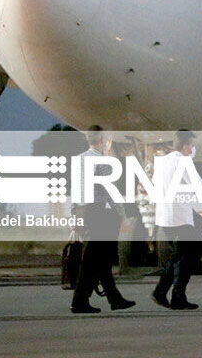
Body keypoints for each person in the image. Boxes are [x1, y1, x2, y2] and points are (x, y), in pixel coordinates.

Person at [70, 126, 134, 314]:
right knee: (95, 259)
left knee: (99, 259)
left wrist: (74, 214)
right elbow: (110, 191)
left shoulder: (79, 160)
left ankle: (114, 298)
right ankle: (80, 301)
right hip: (99, 212)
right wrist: (122, 216)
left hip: (83, 210)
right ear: (102, 141)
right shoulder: (102, 162)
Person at [153, 130, 202, 310]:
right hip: (181, 216)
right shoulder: (184, 162)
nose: (192, 149)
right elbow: (198, 185)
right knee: (187, 257)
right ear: (184, 146)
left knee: (177, 257)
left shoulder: (163, 161)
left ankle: (163, 292)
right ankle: (175, 296)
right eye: (190, 145)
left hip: (165, 216)